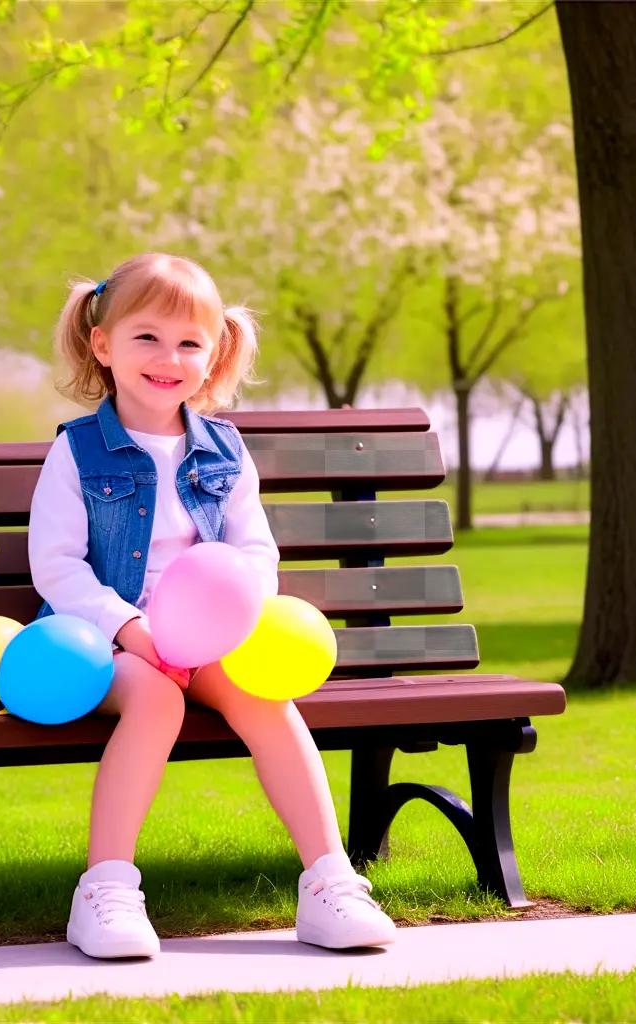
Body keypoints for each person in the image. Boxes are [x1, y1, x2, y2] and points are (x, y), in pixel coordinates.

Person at [28, 252, 396, 959]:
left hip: (207, 641)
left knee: (264, 694)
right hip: (109, 644)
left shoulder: (224, 453)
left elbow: (255, 553)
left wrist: (235, 617)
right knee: (157, 702)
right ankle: (106, 889)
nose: (169, 357)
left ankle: (329, 883)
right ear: (103, 345)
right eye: (147, 338)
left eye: (189, 343)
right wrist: (129, 628)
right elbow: (57, 566)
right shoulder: (77, 453)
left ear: (214, 353)